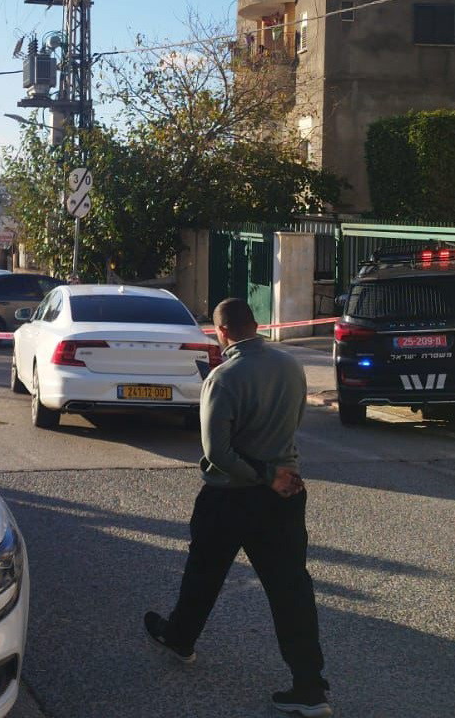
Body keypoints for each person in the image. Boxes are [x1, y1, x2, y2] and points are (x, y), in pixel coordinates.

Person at [143, 298, 331, 718]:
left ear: (221, 332)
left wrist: (262, 473)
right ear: (257, 324)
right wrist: (275, 473)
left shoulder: (223, 378)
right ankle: (310, 687)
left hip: (229, 497)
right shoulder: (291, 366)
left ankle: (180, 638)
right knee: (291, 590)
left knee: (204, 573)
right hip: (284, 495)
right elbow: (293, 422)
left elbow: (218, 452)